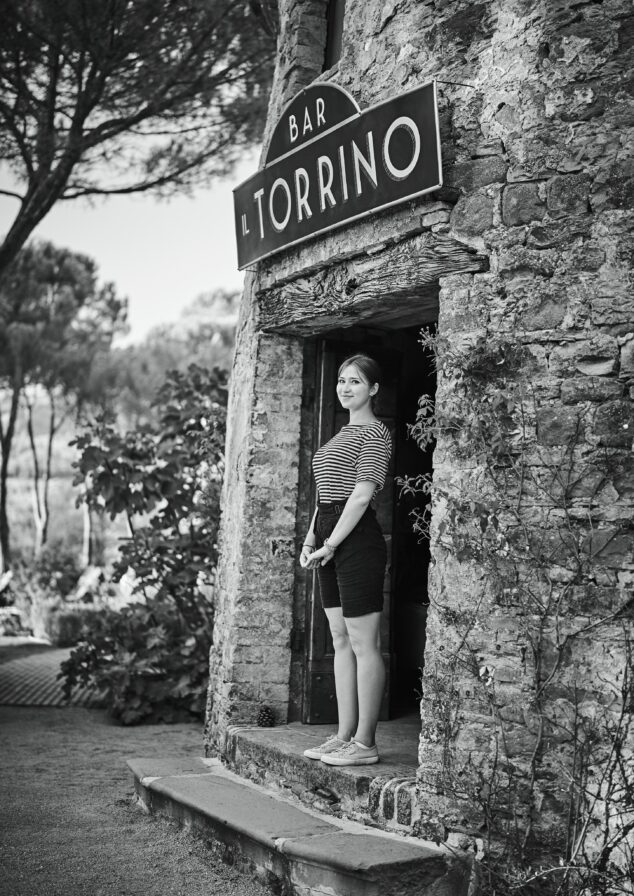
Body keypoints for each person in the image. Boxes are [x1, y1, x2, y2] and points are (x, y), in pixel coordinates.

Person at [300, 354, 392, 766]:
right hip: (329, 538)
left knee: (363, 642)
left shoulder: (375, 433)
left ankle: (366, 744)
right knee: (339, 639)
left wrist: (333, 544)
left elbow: (360, 495)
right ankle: (343, 735)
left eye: (355, 381)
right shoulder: (339, 436)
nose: (344, 387)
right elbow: (326, 498)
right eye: (340, 380)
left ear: (373, 389)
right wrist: (310, 539)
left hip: (357, 542)